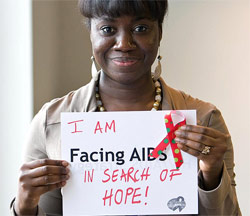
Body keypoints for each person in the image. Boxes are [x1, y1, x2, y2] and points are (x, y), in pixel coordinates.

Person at [11, 0, 241, 215]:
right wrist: (24, 206)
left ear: (159, 33)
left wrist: (211, 174)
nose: (124, 44)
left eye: (140, 28)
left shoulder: (204, 118)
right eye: (108, 29)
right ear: (90, 34)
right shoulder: (51, 122)